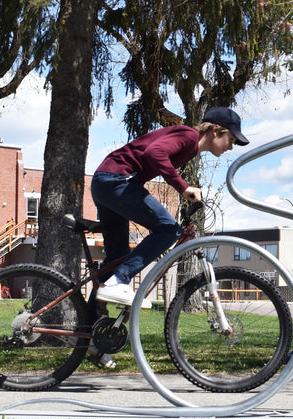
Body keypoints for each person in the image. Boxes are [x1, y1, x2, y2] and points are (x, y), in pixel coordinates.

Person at [91, 107, 249, 308]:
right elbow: (155, 153)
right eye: (232, 140)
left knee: (116, 258)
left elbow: (158, 159)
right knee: (168, 229)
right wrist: (184, 188)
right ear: (216, 130)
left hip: (105, 183)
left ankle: (88, 326)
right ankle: (120, 280)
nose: (231, 147)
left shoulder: (191, 148)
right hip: (118, 181)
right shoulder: (189, 135)